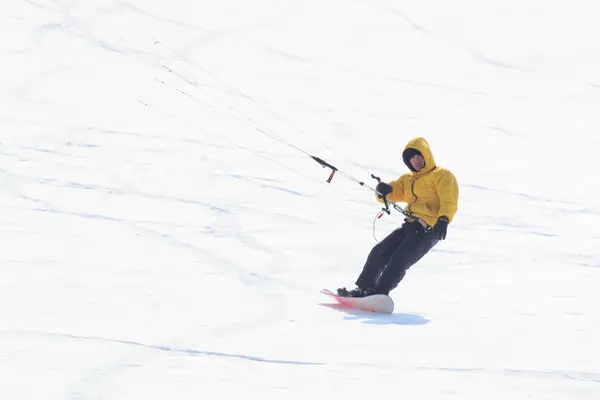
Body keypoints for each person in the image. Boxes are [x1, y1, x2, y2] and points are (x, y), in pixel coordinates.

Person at [337, 137, 459, 297]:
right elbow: (391, 193)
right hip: (410, 226)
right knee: (379, 252)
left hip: (429, 230)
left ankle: (380, 294)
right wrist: (382, 190)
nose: (417, 161)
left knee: (399, 260)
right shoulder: (407, 180)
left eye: (419, 156)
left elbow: (448, 200)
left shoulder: (442, 176)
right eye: (412, 158)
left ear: (427, 155)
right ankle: (364, 289)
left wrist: (443, 219)